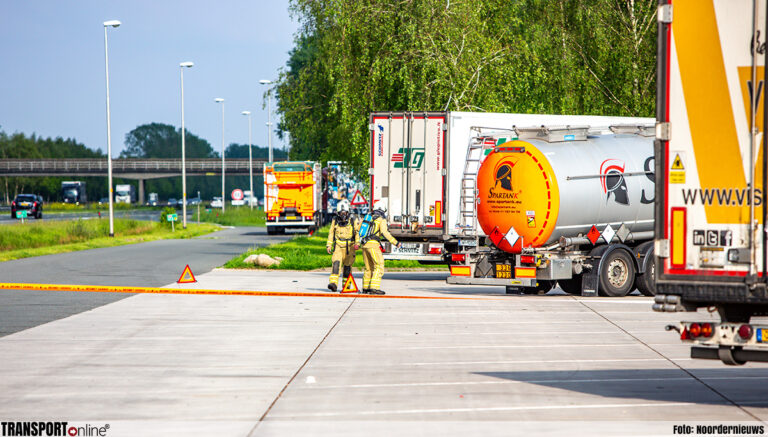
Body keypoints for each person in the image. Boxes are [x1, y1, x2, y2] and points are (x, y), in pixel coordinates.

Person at [361, 200, 400, 295]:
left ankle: (365, 288)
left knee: (368, 267)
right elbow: (384, 233)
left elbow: (359, 230)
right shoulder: (381, 220)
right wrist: (395, 242)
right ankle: (374, 288)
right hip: (373, 245)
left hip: (364, 245)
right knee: (379, 265)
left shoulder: (367, 218)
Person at [326, 200, 359, 292]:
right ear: (338, 212)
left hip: (350, 247)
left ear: (348, 212)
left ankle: (346, 286)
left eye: (344, 212)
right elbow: (331, 232)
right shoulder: (335, 220)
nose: (343, 215)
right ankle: (333, 284)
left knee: (347, 267)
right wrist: (329, 244)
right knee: (336, 264)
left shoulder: (353, 219)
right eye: (341, 213)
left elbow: (357, 232)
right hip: (338, 246)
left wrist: (357, 243)